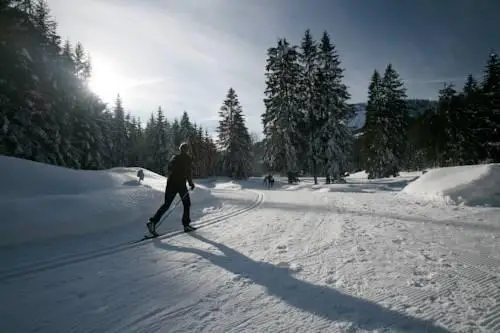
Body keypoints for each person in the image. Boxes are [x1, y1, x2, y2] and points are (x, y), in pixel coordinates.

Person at [146, 142, 196, 235]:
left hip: (170, 184)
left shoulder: (174, 158)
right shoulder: (187, 159)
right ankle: (186, 225)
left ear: (180, 149)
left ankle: (152, 222)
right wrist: (191, 183)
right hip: (180, 185)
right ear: (187, 150)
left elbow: (169, 170)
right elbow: (188, 172)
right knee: (186, 204)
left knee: (166, 204)